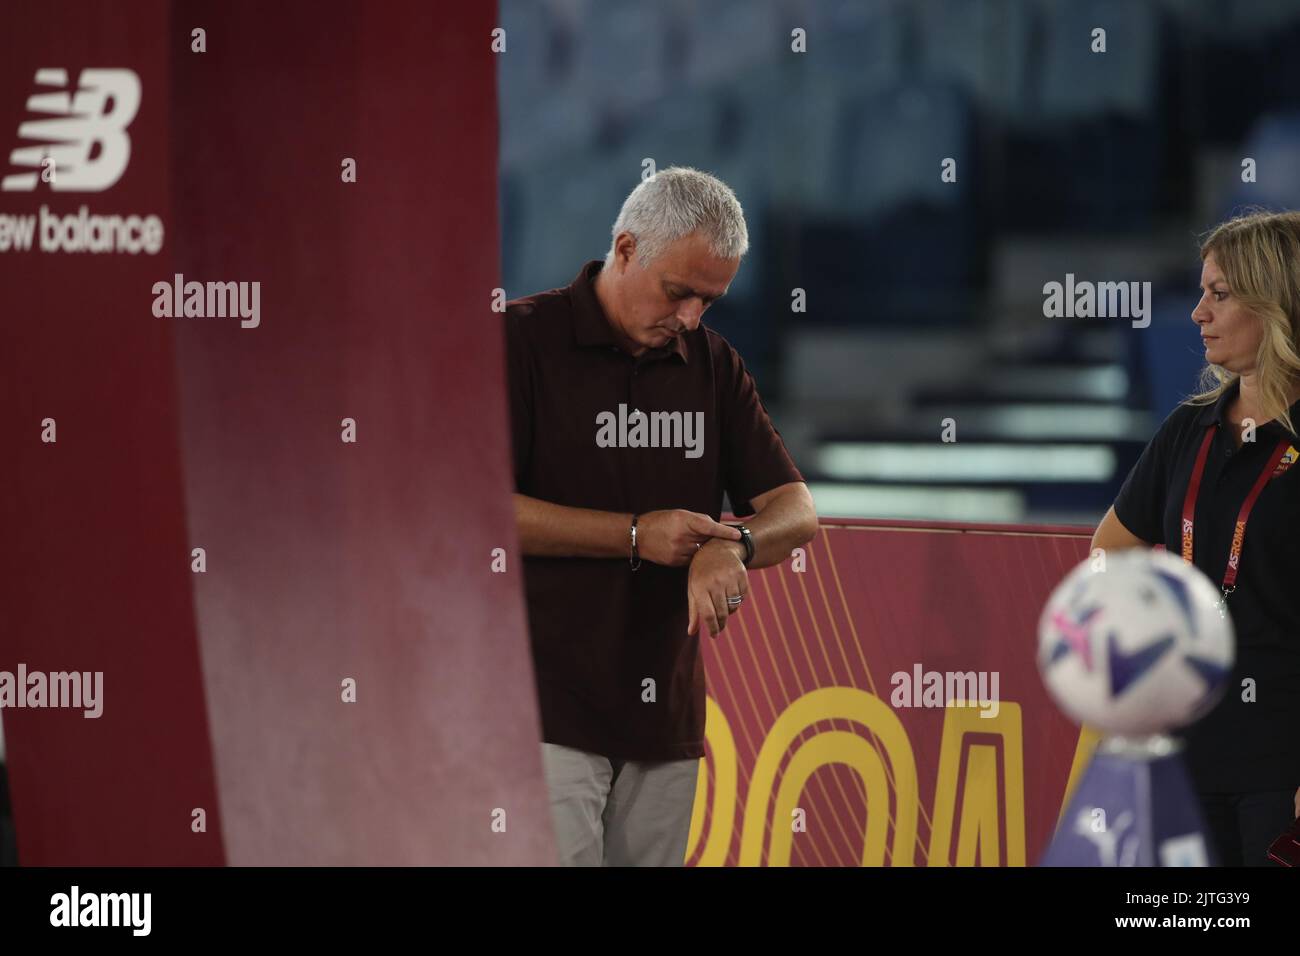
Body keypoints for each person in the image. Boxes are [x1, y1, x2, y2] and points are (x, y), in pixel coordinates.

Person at [503, 166, 818, 866]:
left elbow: (796, 509)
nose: (690, 318)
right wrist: (639, 535)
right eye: (679, 292)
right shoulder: (520, 342)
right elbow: (476, 514)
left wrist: (731, 544)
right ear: (624, 249)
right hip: (538, 707)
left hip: (664, 711)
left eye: (711, 300)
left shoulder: (712, 364)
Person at [1092, 209, 1300, 866]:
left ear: (1276, 303)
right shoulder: (1191, 429)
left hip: (1282, 761)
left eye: (1220, 294)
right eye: (1201, 291)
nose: (1197, 313)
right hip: (1185, 750)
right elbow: (1108, 551)